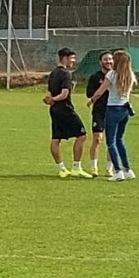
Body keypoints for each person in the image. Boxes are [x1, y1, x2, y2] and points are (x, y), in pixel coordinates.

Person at [42, 47, 92, 179]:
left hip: (54, 110)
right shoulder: (66, 74)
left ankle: (61, 168)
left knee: (56, 139)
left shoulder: (53, 73)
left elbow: (49, 93)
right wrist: (53, 99)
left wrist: (49, 100)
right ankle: (76, 167)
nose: (74, 61)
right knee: (82, 135)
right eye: (72, 58)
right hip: (65, 109)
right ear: (65, 58)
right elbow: (64, 94)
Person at [89, 47, 137, 181]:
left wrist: (92, 100)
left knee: (111, 142)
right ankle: (127, 170)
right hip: (125, 110)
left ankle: (117, 171)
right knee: (120, 140)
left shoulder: (111, 75)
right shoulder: (130, 74)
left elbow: (100, 91)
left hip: (113, 109)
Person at [84, 52, 114, 177]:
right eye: (106, 59)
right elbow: (89, 94)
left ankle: (109, 168)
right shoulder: (95, 77)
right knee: (97, 139)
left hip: (113, 111)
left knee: (111, 141)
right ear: (100, 62)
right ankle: (94, 167)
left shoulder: (116, 75)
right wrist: (102, 88)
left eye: (110, 59)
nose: (108, 61)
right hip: (99, 111)